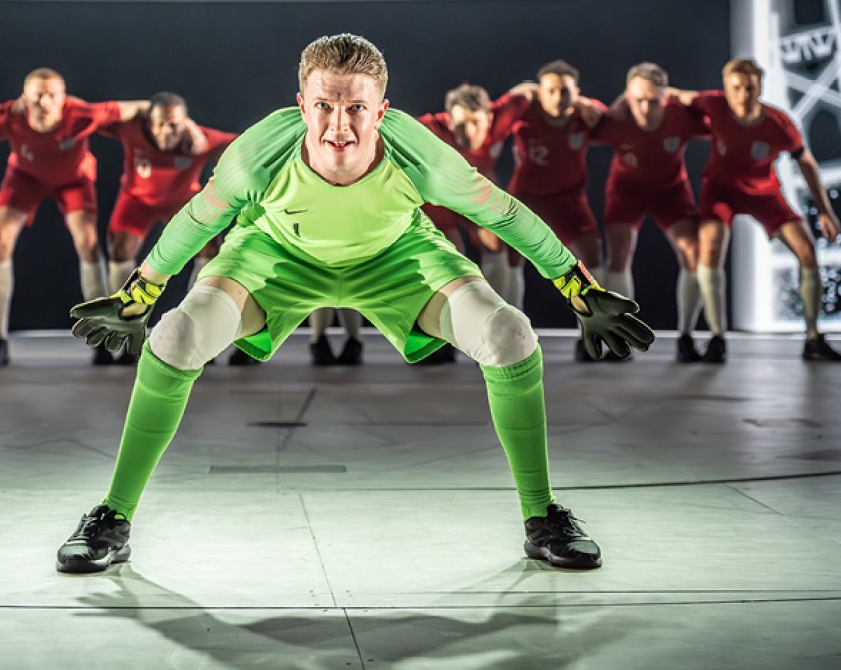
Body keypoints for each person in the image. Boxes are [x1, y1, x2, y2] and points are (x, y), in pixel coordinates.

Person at [56, 33, 653, 576]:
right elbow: (197, 219)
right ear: (301, 105)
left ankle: (542, 517)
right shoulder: (256, 155)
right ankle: (112, 516)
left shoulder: (421, 154)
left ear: (382, 112)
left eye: (356, 108)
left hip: (396, 256)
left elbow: (504, 213)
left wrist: (578, 286)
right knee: (175, 338)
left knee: (511, 335)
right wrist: (142, 292)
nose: (338, 125)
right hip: (274, 256)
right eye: (323, 106)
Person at [0, 68, 149, 366]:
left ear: (64, 99)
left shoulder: (83, 114)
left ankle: (103, 337)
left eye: (51, 97)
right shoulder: (10, 114)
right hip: (24, 177)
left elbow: (139, 107)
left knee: (88, 243)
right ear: (24, 100)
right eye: (38, 97)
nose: (45, 103)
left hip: (74, 180)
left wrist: (182, 123)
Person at [675, 57, 841, 362]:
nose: (743, 95)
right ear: (726, 88)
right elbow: (680, 96)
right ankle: (716, 337)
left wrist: (825, 210)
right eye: (736, 88)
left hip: (763, 193)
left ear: (759, 88)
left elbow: (805, 161)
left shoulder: (778, 123)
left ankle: (813, 338)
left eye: (749, 88)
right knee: (709, 252)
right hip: (720, 191)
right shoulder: (714, 105)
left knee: (806, 250)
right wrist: (646, 92)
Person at [97, 91, 237, 364]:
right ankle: (124, 329)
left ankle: (198, 333)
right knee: (119, 249)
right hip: (136, 201)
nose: (165, 131)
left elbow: (243, 145)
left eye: (173, 124)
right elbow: (93, 116)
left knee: (212, 250)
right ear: (149, 120)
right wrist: (137, 106)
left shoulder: (199, 140)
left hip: (181, 202)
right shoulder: (133, 130)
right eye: (158, 123)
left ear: (185, 123)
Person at [595, 62, 711, 362]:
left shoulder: (680, 115)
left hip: (670, 191)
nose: (645, 108)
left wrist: (685, 96)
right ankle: (620, 340)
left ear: (666, 97)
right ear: (626, 96)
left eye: (653, 100)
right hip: (626, 190)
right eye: (638, 100)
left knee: (694, 254)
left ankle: (686, 336)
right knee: (618, 254)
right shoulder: (617, 119)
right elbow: (574, 125)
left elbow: (723, 117)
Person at [414, 81, 531, 362]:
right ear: (448, 120)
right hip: (438, 199)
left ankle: (501, 329)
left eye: (475, 123)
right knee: (450, 259)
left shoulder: (502, 116)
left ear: (490, 118)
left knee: (498, 245)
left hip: (474, 195)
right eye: (460, 125)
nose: (467, 133)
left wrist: (584, 106)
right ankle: (431, 338)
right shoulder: (428, 128)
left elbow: (528, 92)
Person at [502, 60, 609, 361]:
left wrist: (592, 107)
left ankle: (592, 333)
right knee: (510, 258)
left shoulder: (583, 116)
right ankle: (512, 337)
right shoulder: (525, 111)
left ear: (576, 93)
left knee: (590, 255)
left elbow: (608, 119)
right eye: (551, 90)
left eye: (565, 91)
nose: (558, 97)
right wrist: (520, 92)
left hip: (567, 200)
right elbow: (496, 114)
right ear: (540, 93)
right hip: (527, 198)